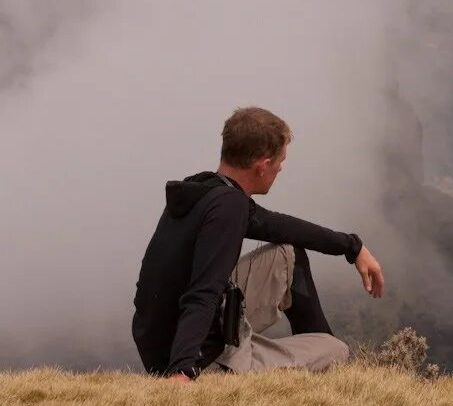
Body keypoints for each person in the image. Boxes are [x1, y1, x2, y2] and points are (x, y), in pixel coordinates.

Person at [132, 106, 385, 382]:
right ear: (262, 166)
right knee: (335, 351)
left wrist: (352, 247)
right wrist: (182, 370)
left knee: (288, 254)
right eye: (280, 161)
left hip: (164, 341)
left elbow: (283, 227)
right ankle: (329, 379)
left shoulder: (205, 191)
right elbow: (203, 291)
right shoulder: (228, 208)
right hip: (200, 358)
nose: (281, 168)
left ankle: (308, 350)